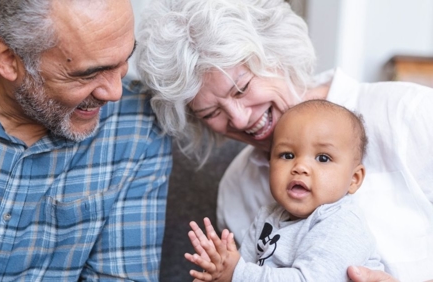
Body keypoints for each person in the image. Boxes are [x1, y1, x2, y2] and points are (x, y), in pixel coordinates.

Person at [134, 0, 433, 281]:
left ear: (277, 55)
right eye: (211, 112)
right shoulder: (236, 190)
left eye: (241, 88)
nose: (238, 119)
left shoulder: (410, 114)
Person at [0, 0, 172, 280]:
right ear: (6, 58)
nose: (114, 93)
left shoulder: (138, 125)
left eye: (123, 62)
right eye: (89, 73)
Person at [184, 100, 384, 281]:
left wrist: (236, 272)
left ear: (354, 179)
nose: (300, 167)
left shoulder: (341, 223)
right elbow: (245, 270)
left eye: (323, 158)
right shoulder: (268, 216)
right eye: (287, 155)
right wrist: (219, 271)